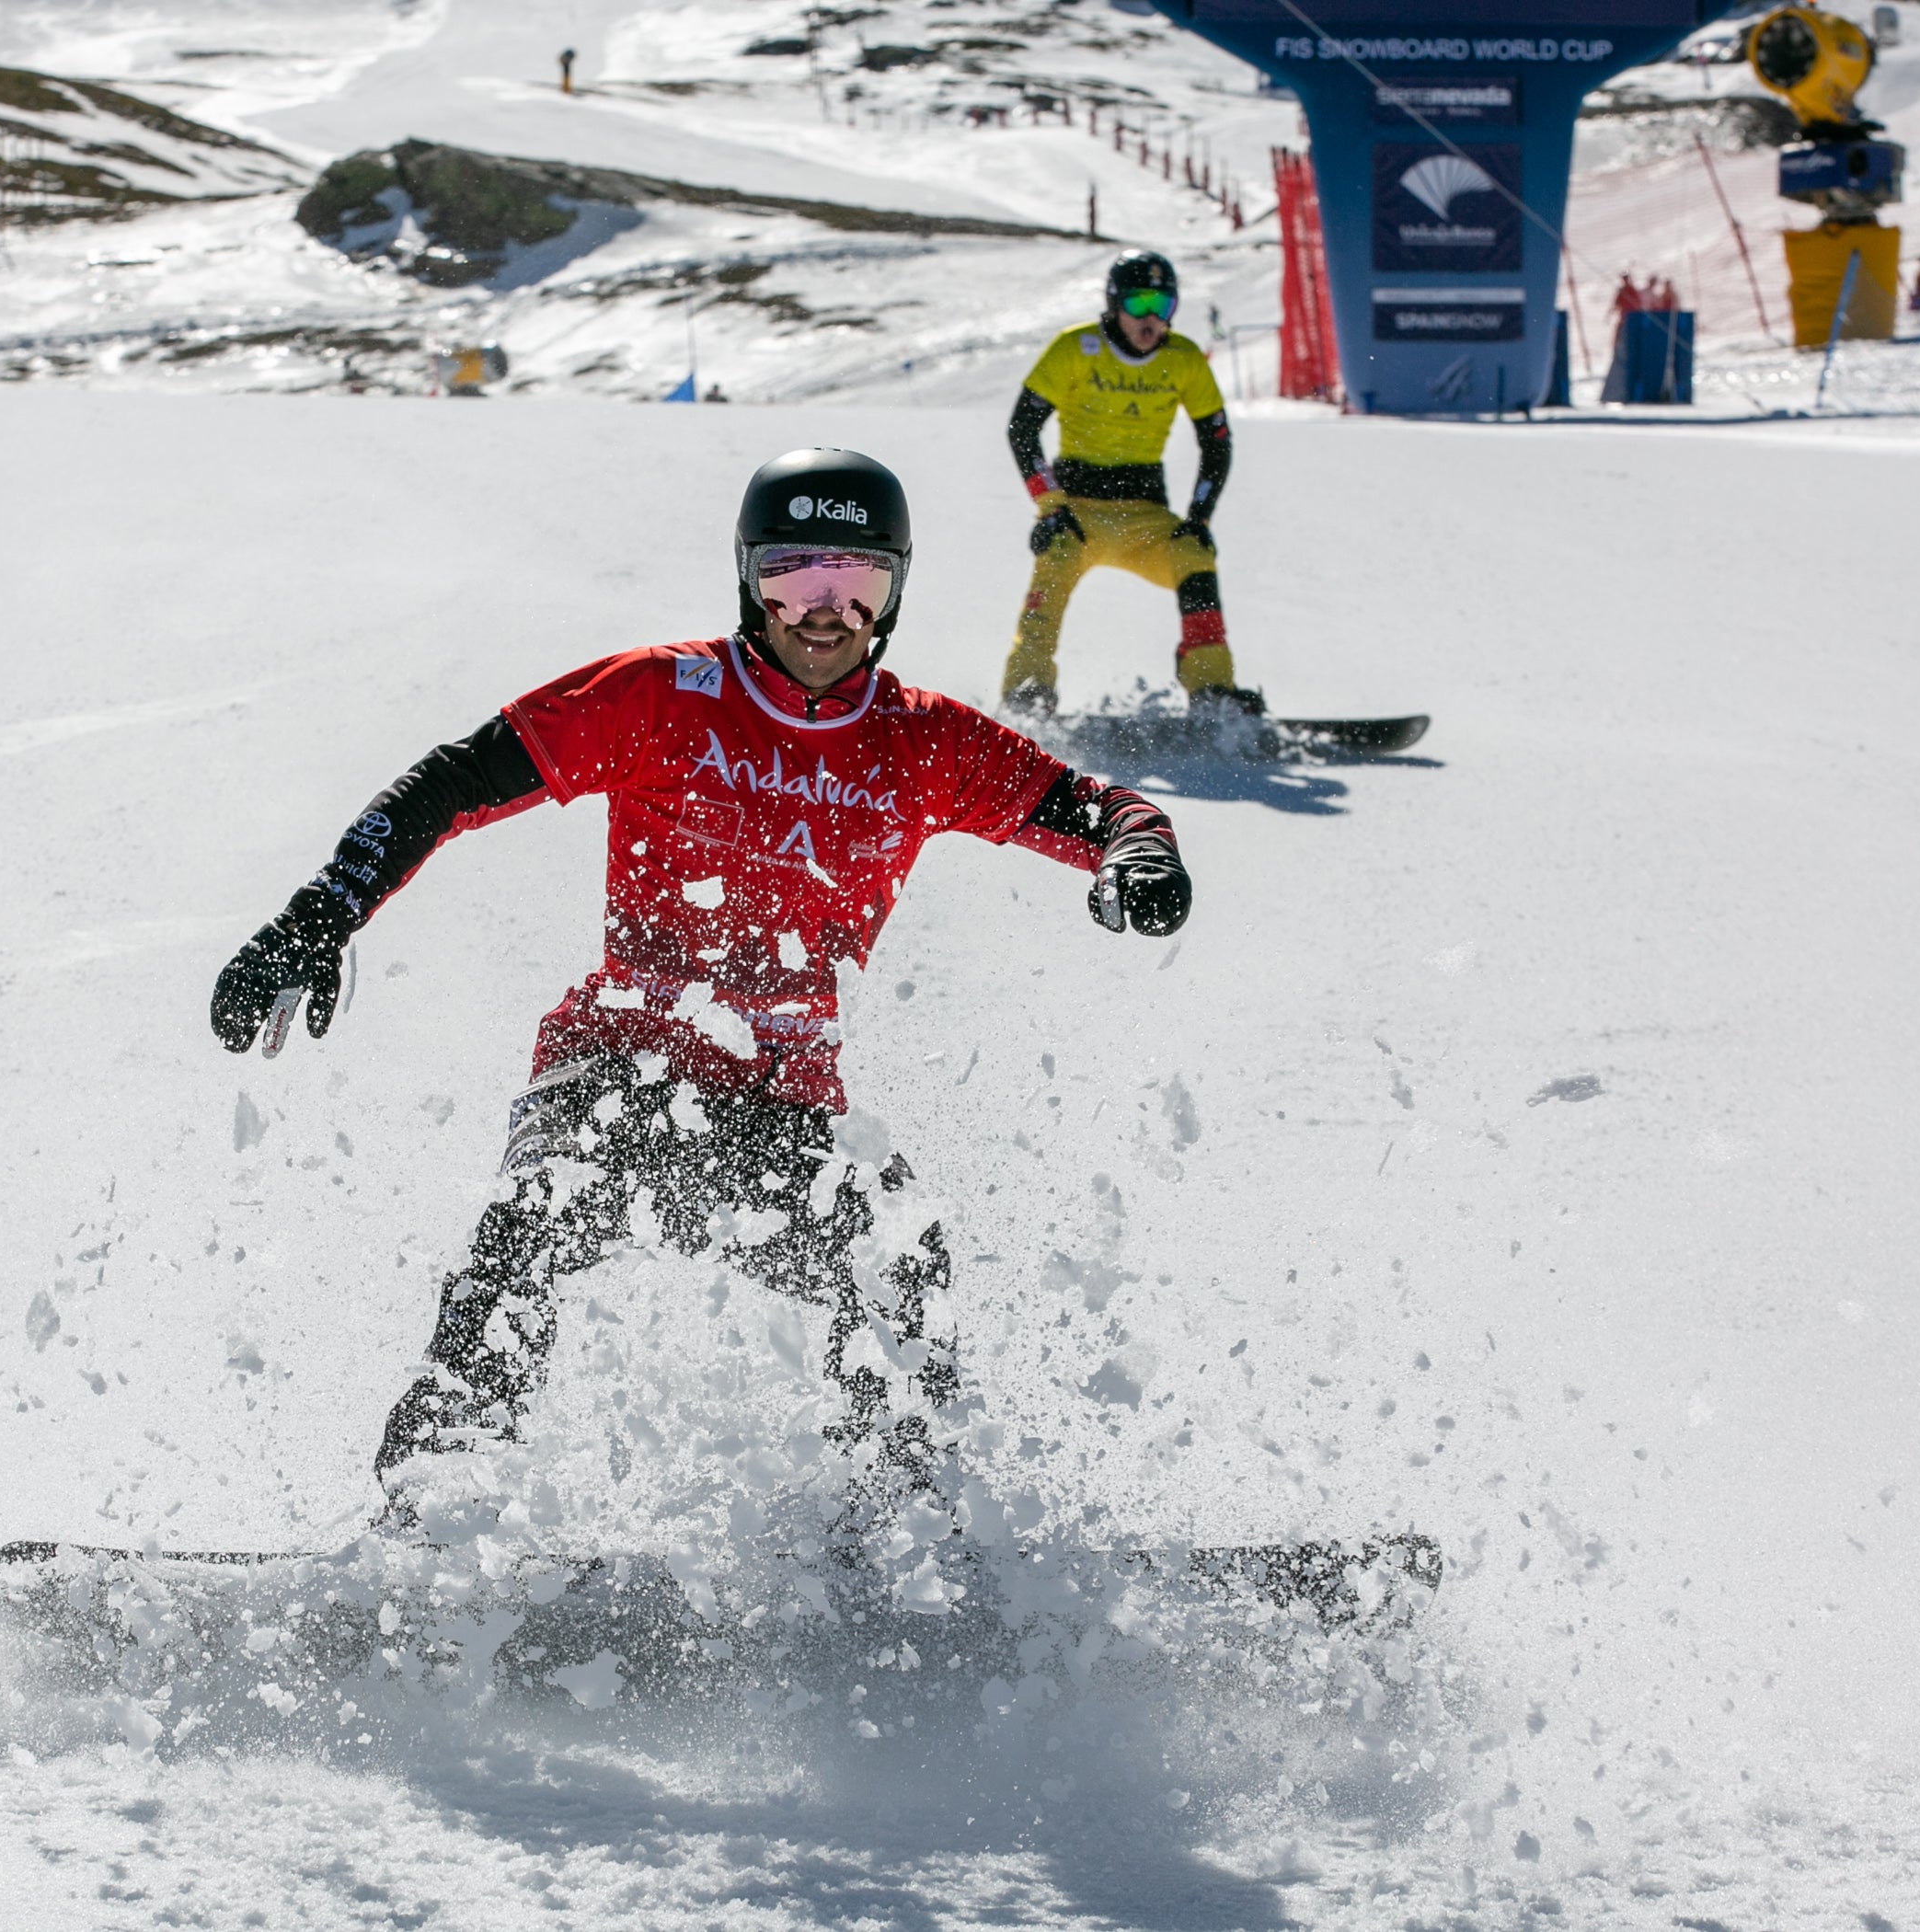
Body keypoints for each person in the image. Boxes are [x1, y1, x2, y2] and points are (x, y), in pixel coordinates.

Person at [210, 448, 1191, 1517]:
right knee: (543, 1205)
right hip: (614, 1069)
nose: (825, 615)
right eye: (794, 581)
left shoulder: (922, 742)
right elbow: (455, 780)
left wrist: (1137, 853)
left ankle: (898, 1525)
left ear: (894, 594)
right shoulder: (660, 696)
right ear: (747, 583)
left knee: (898, 1241)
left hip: (781, 1112)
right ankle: (435, 1505)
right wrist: (324, 910)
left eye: (857, 585)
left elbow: (1107, 809)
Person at [1000, 250, 1248, 724]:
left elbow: (1216, 443)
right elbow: (1022, 428)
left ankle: (1212, 688)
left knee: (1195, 556)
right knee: (1054, 564)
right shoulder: (1075, 348)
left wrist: (1198, 519)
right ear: (1114, 305)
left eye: (1163, 305)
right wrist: (1050, 507)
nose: (1151, 319)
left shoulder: (1183, 359)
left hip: (1146, 519)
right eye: (1138, 305)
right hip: (1078, 514)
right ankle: (1027, 695)